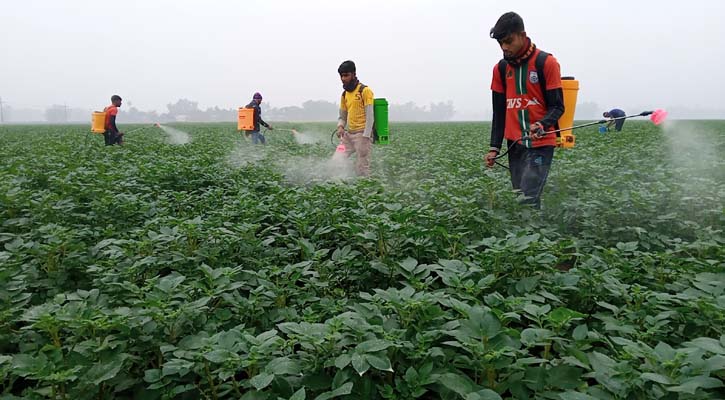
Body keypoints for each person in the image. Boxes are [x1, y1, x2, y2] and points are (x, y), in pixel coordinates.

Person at [484, 12, 565, 209]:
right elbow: (499, 112)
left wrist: (542, 124)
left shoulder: (546, 63)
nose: (504, 47)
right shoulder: (500, 70)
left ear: (522, 35)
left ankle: (533, 235)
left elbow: (558, 107)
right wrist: (495, 147)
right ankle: (528, 232)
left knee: (528, 197)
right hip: (515, 144)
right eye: (501, 43)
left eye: (508, 41)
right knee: (519, 194)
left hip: (541, 142)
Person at [337, 60, 374, 177]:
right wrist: (340, 126)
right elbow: (343, 116)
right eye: (341, 76)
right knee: (337, 159)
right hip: (348, 136)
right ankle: (339, 181)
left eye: (346, 75)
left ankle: (365, 189)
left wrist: (366, 136)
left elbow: (370, 116)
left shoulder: (365, 91)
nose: (343, 78)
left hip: (362, 135)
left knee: (362, 167)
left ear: (354, 74)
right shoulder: (344, 95)